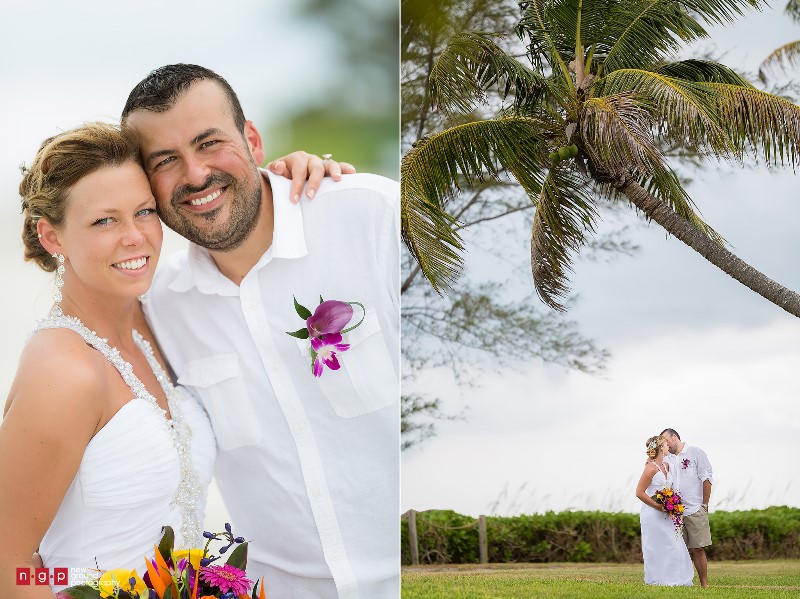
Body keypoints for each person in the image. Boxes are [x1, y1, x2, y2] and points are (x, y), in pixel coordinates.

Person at [0, 121, 352, 597]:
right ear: (52, 237)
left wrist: (286, 185)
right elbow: (11, 567)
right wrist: (86, 585)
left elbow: (246, 272)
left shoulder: (152, 320)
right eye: (104, 220)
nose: (135, 237)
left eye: (144, 211)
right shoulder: (63, 372)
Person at [121, 64, 399, 599]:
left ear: (251, 139)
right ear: (147, 184)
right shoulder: (159, 307)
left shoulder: (373, 217)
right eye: (165, 161)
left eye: (210, 143)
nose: (196, 174)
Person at [635, 435, 694, 587]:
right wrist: (657, 506)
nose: (669, 446)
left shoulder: (667, 466)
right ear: (661, 447)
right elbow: (639, 492)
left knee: (674, 543)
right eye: (666, 445)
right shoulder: (650, 468)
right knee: (656, 546)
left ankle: (677, 578)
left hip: (668, 512)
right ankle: (658, 579)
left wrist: (673, 505)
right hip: (653, 513)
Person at [661, 428, 714, 588]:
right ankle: (680, 582)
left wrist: (704, 505)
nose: (664, 444)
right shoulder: (666, 458)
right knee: (677, 550)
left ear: (675, 437)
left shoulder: (696, 453)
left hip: (695, 509)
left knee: (698, 549)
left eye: (665, 440)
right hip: (675, 512)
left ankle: (704, 584)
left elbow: (707, 478)